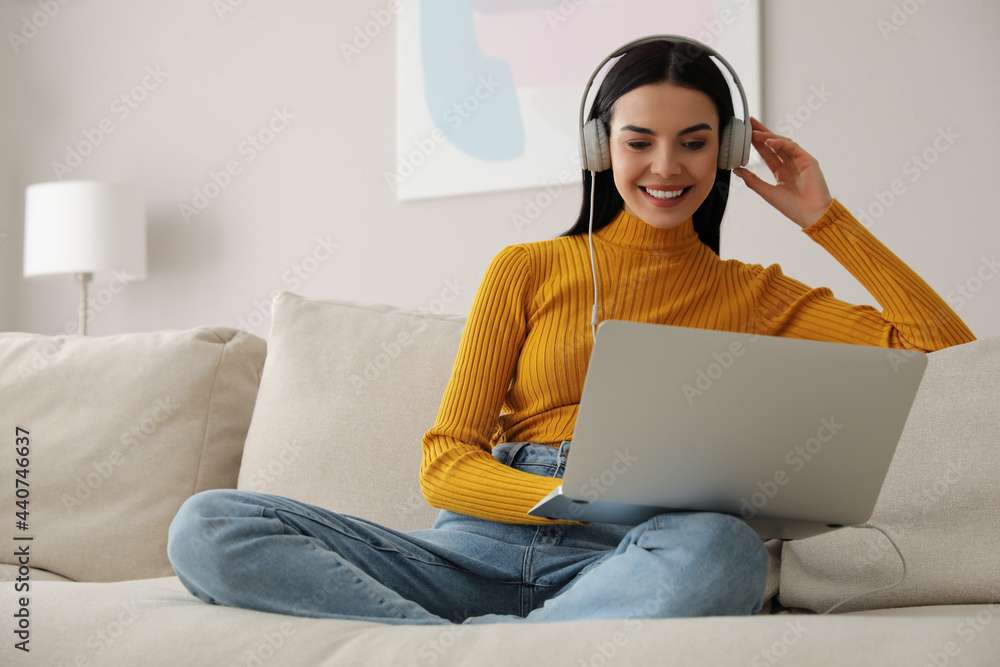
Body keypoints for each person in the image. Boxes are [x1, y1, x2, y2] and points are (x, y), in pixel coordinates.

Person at [166, 39, 976, 626]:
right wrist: (562, 493)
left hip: (637, 554)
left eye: (696, 142)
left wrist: (820, 216)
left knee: (724, 550)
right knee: (207, 524)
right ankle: (500, 644)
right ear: (599, 148)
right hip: (473, 550)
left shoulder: (755, 295)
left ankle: (495, 648)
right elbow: (445, 461)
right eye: (640, 141)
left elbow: (940, 344)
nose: (668, 165)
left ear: (727, 152)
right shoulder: (527, 267)